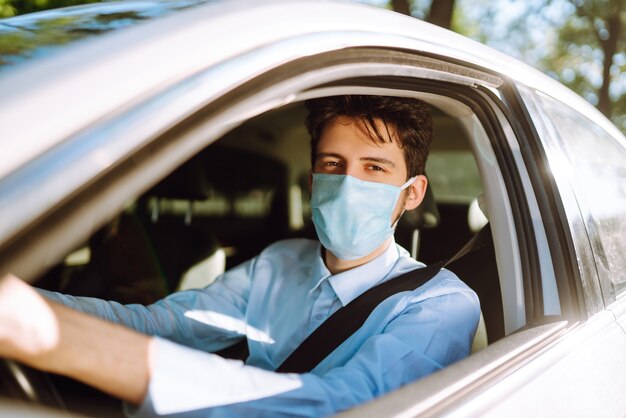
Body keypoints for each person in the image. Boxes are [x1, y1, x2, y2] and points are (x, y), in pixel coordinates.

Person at [0, 95, 480, 417]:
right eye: (333, 165)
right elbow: (165, 325)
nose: (348, 184)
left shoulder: (440, 304)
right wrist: (30, 304)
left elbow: (343, 406)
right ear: (313, 183)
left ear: (412, 193)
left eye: (374, 168)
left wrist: (53, 339)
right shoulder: (277, 261)